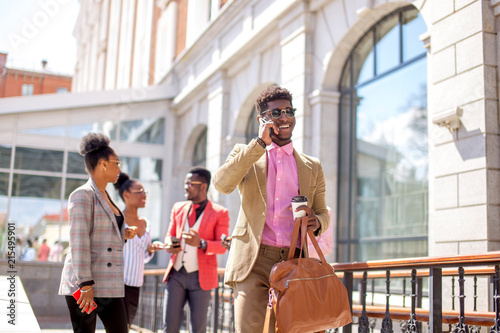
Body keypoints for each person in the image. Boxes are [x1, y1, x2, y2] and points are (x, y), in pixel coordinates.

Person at [213, 85, 330, 333]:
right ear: (262, 119)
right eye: (276, 113)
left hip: (294, 259)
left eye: (289, 111)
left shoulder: (312, 166)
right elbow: (222, 185)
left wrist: (316, 221)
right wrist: (258, 144)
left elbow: (323, 213)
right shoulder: (244, 154)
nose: (285, 117)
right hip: (253, 260)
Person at [58, 132, 137, 333]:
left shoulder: (107, 196)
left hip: (109, 282)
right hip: (85, 283)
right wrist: (85, 284)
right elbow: (79, 241)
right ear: (102, 164)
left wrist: (123, 235)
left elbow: (103, 234)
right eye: (116, 163)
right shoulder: (82, 195)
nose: (120, 168)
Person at [162, 167, 229, 333]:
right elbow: (168, 236)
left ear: (203, 186)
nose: (186, 186)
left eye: (190, 183)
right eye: (185, 183)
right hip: (176, 274)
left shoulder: (220, 213)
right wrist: (169, 244)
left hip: (202, 278)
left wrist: (202, 244)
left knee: (198, 329)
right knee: (169, 327)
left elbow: (222, 247)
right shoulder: (178, 208)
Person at [114, 172, 162, 327]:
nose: (144, 195)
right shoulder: (117, 219)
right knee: (118, 326)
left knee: (126, 325)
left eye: (145, 192)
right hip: (117, 282)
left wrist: (150, 250)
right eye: (139, 192)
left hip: (135, 283)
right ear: (126, 195)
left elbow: (143, 256)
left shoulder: (146, 223)